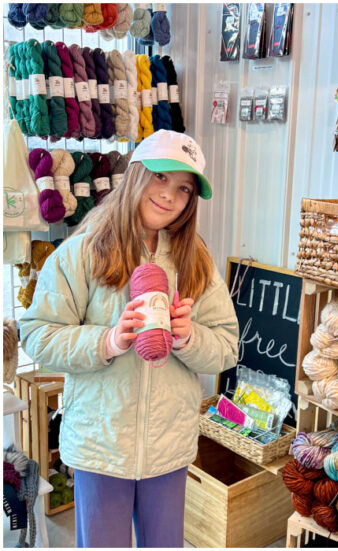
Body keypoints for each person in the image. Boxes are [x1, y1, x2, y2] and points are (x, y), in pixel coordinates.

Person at [20, 130, 240, 548]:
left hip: (168, 449)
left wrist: (189, 338)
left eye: (184, 188)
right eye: (161, 177)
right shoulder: (84, 251)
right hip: (101, 448)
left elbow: (227, 347)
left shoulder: (196, 261)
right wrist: (107, 341)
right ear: (137, 173)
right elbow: (37, 333)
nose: (170, 195)